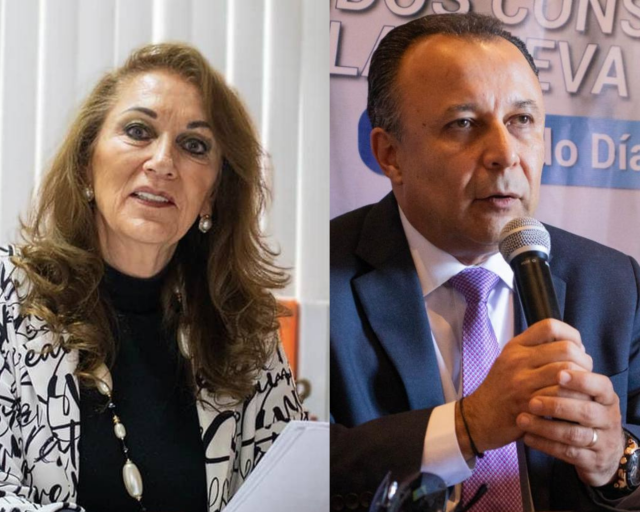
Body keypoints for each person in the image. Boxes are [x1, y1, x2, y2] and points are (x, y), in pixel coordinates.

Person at [330, 13, 640, 512]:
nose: (504, 153)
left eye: (521, 121)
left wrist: (615, 461)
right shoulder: (314, 283)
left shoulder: (613, 283)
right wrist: (466, 426)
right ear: (390, 154)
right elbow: (288, 471)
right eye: (464, 124)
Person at [0, 42, 306, 512]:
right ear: (86, 163)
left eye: (194, 145)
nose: (163, 162)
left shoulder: (245, 330)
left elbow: (288, 493)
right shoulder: (10, 295)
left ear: (212, 195)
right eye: (138, 131)